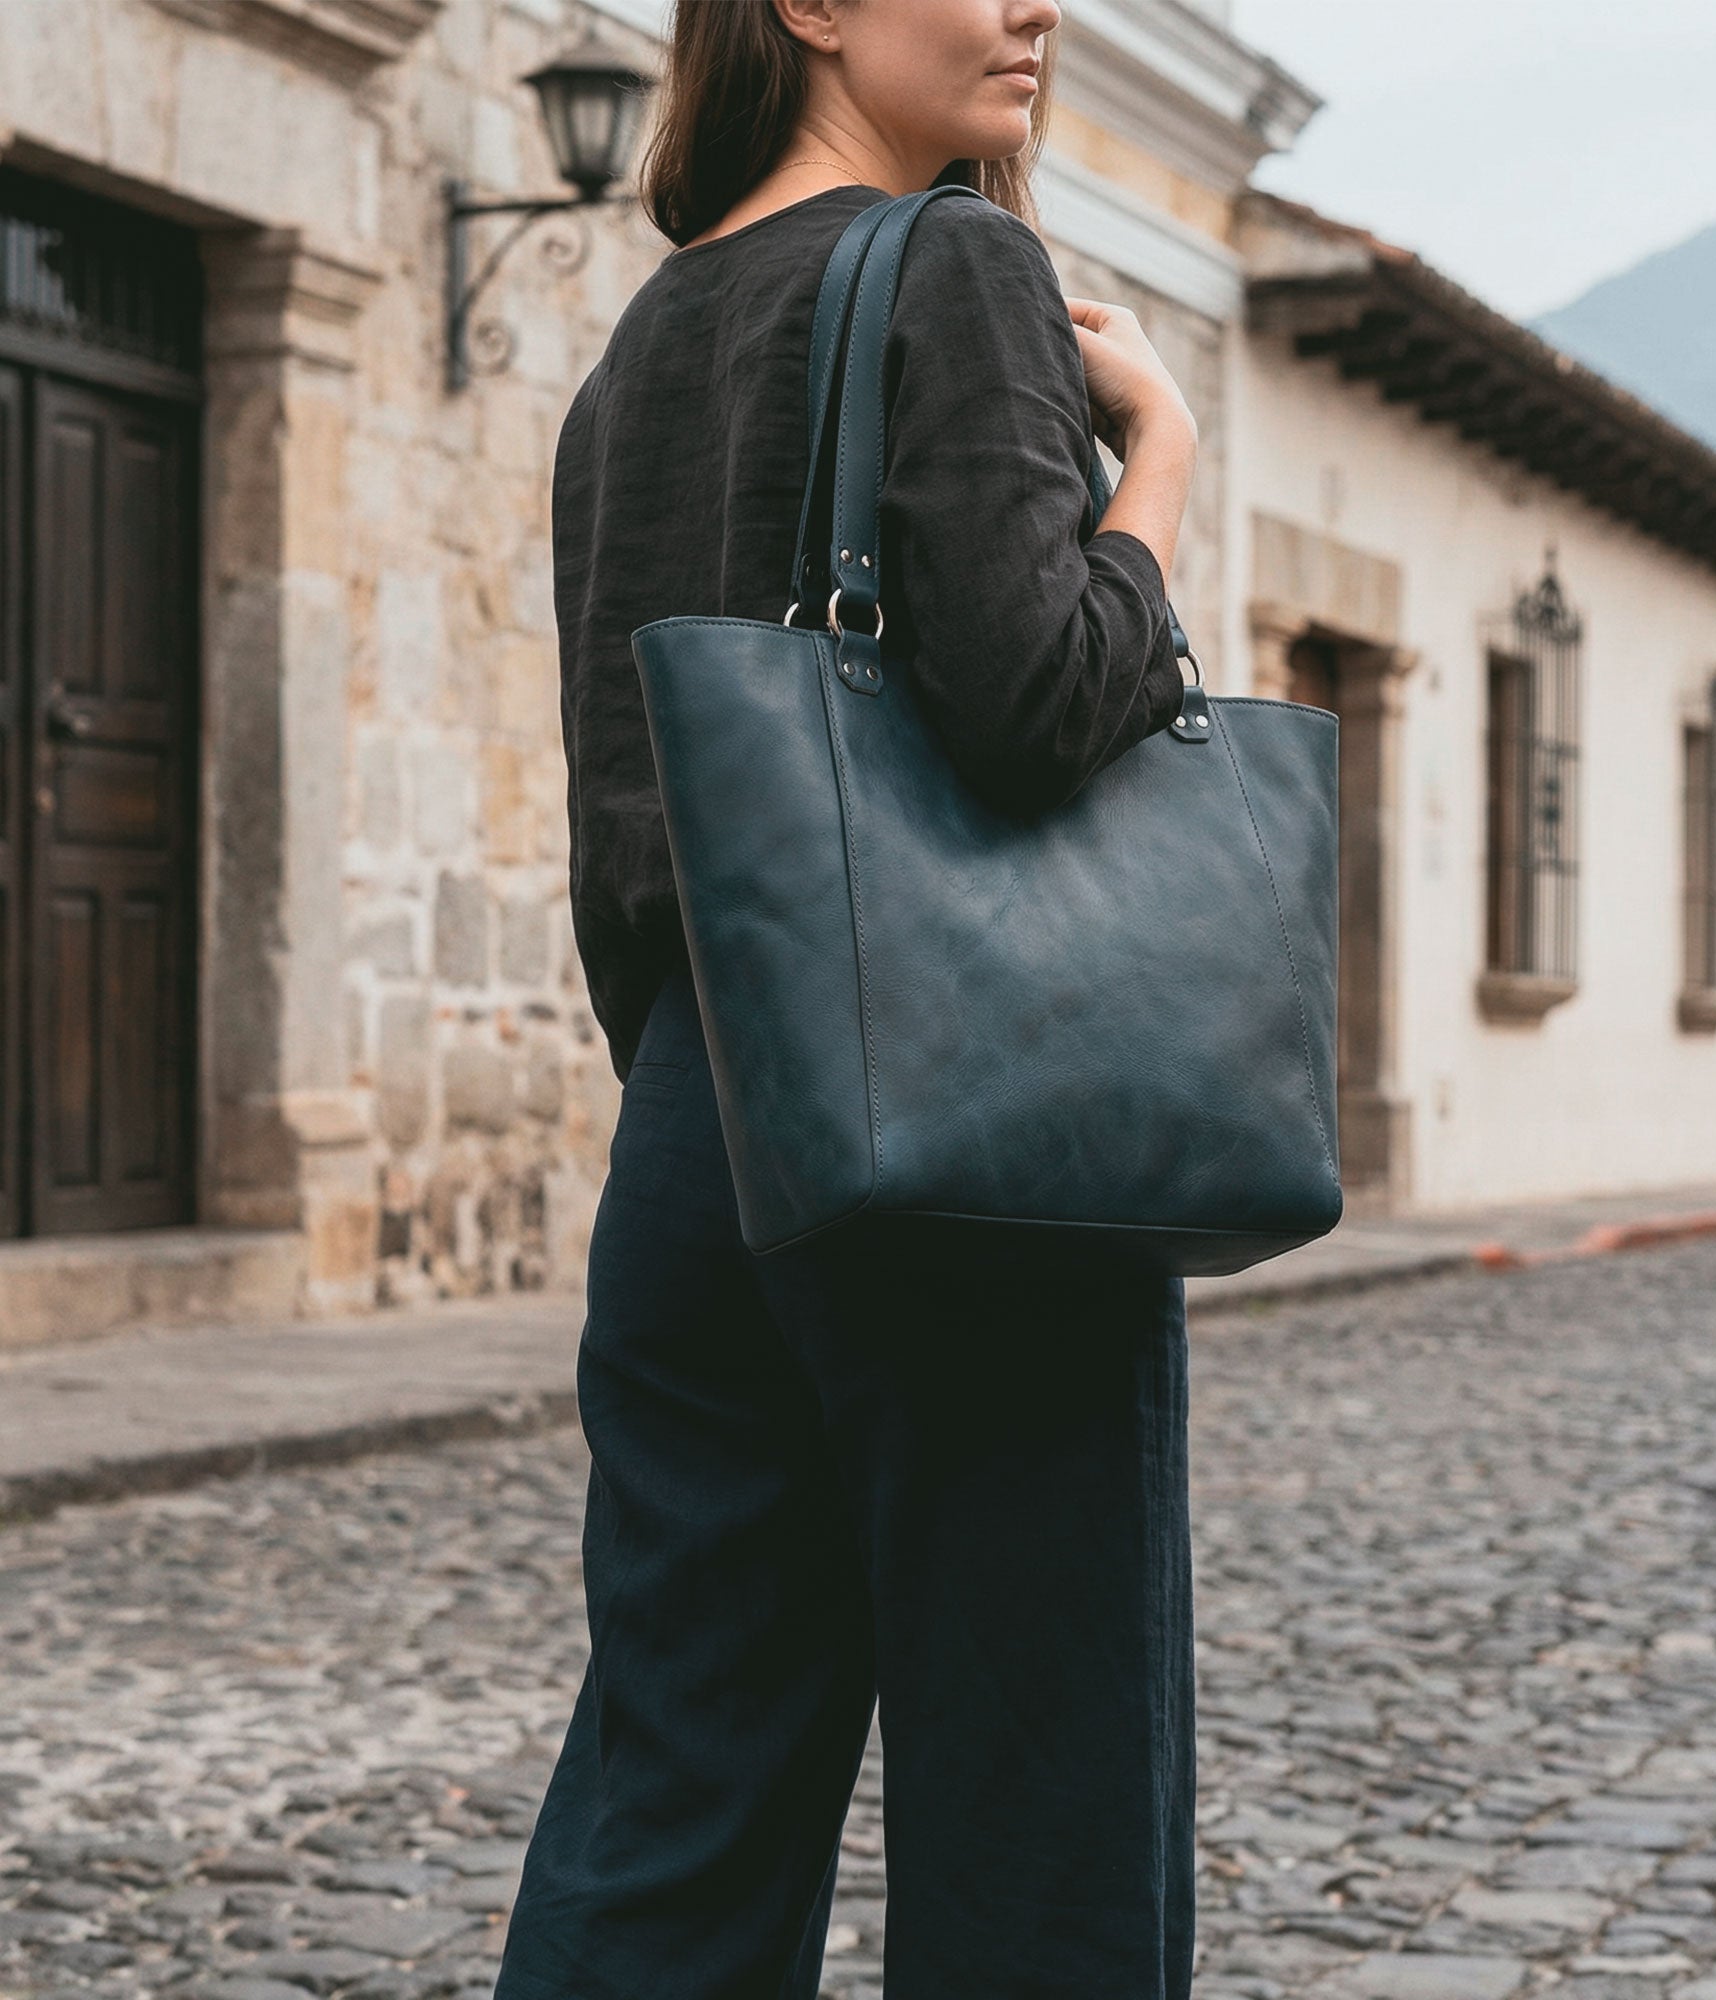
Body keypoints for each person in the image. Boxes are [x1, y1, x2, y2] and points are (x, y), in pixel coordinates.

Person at [492, 0, 1202, 1993]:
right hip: (960, 1132)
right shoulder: (957, 261)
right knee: (1036, 1814)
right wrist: (1158, 462)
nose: (1034, 8)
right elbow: (1042, 695)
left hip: (699, 1135)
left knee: (674, 1802)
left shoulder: (638, 354)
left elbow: (622, 818)